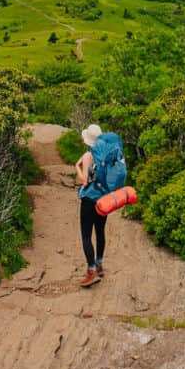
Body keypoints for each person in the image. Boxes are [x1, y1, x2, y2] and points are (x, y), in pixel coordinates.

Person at [75, 123, 105, 287]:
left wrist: (77, 167)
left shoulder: (88, 157)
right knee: (100, 231)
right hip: (104, 200)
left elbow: (84, 181)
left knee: (86, 235)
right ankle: (99, 264)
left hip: (89, 200)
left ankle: (91, 270)